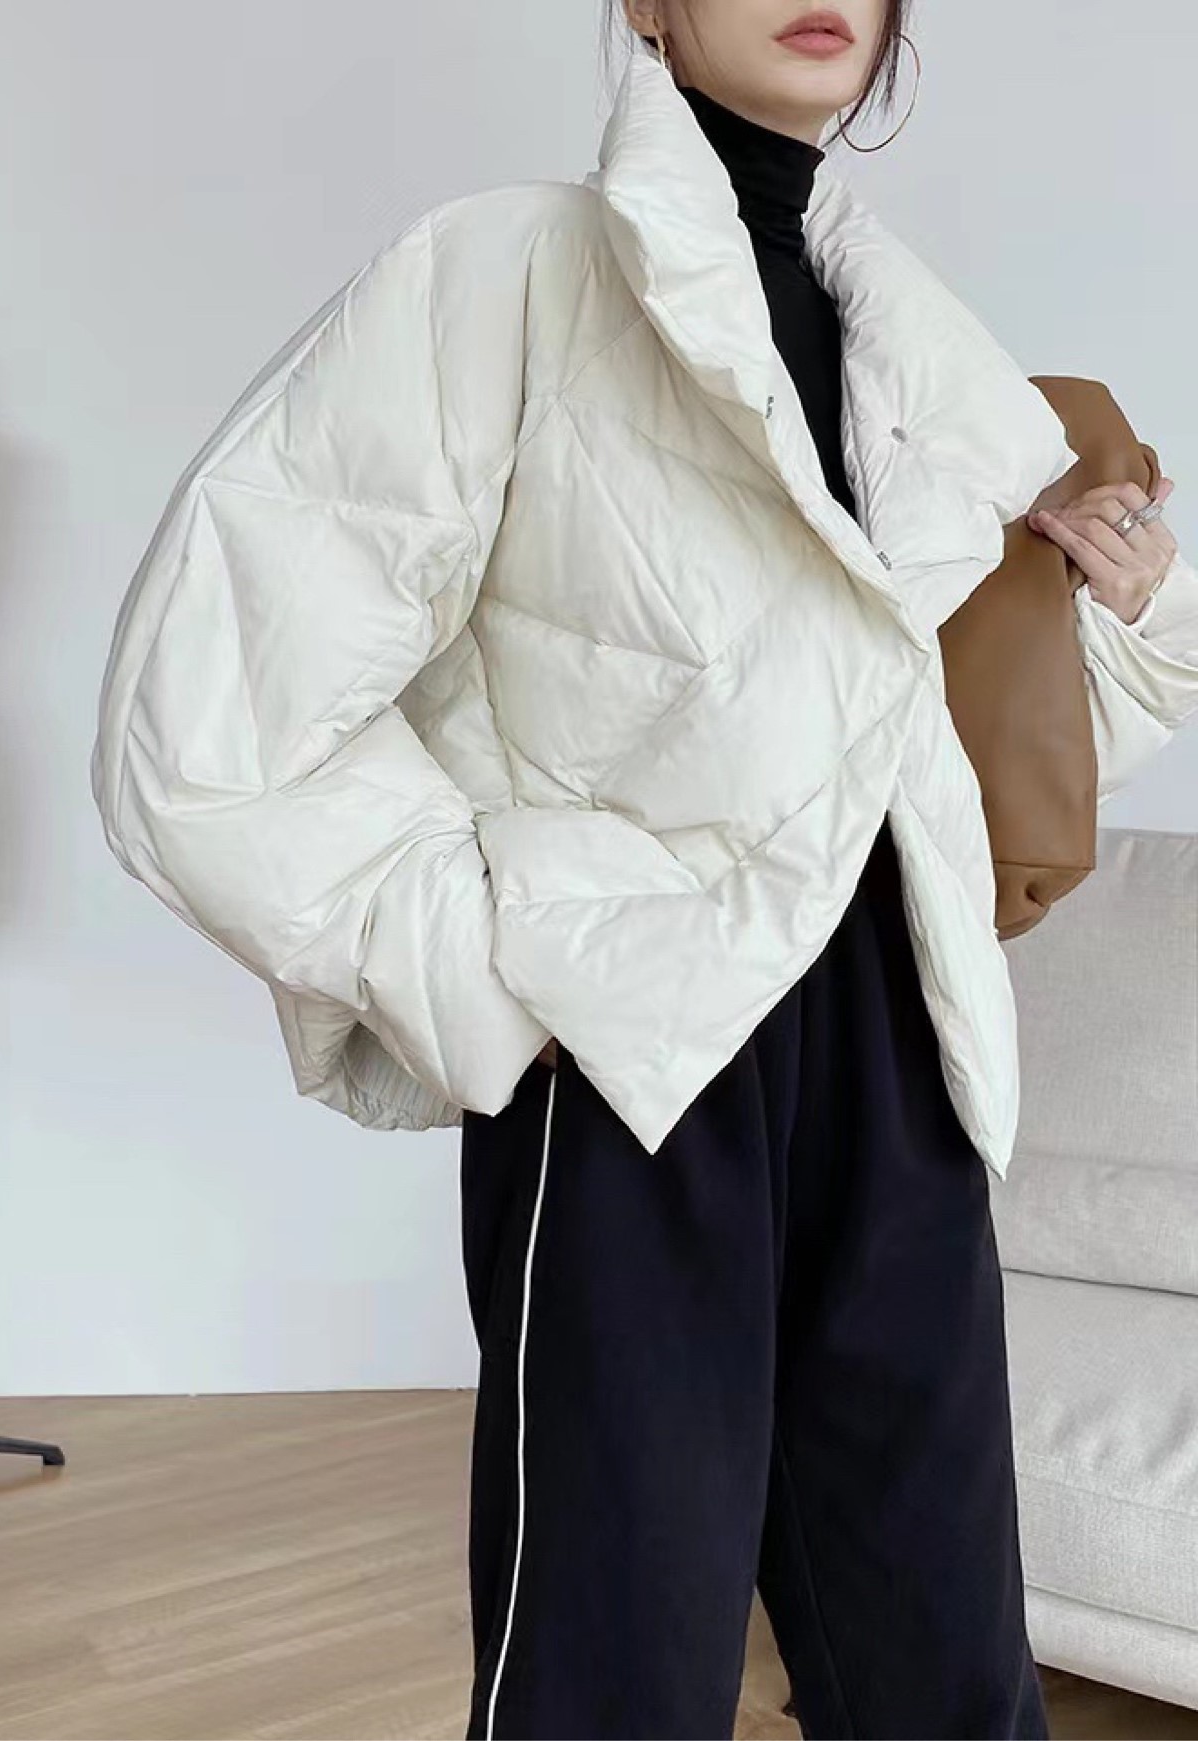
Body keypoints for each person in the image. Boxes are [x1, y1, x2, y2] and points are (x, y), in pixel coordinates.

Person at [90, 3, 1198, 1736]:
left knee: (949, 1678)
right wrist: (501, 963)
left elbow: (923, 767)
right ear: (648, 3)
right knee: (617, 1676)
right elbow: (209, 714)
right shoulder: (511, 275)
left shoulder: (923, 351)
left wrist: (1131, 616)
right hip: (635, 1067)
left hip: (902, 1060)